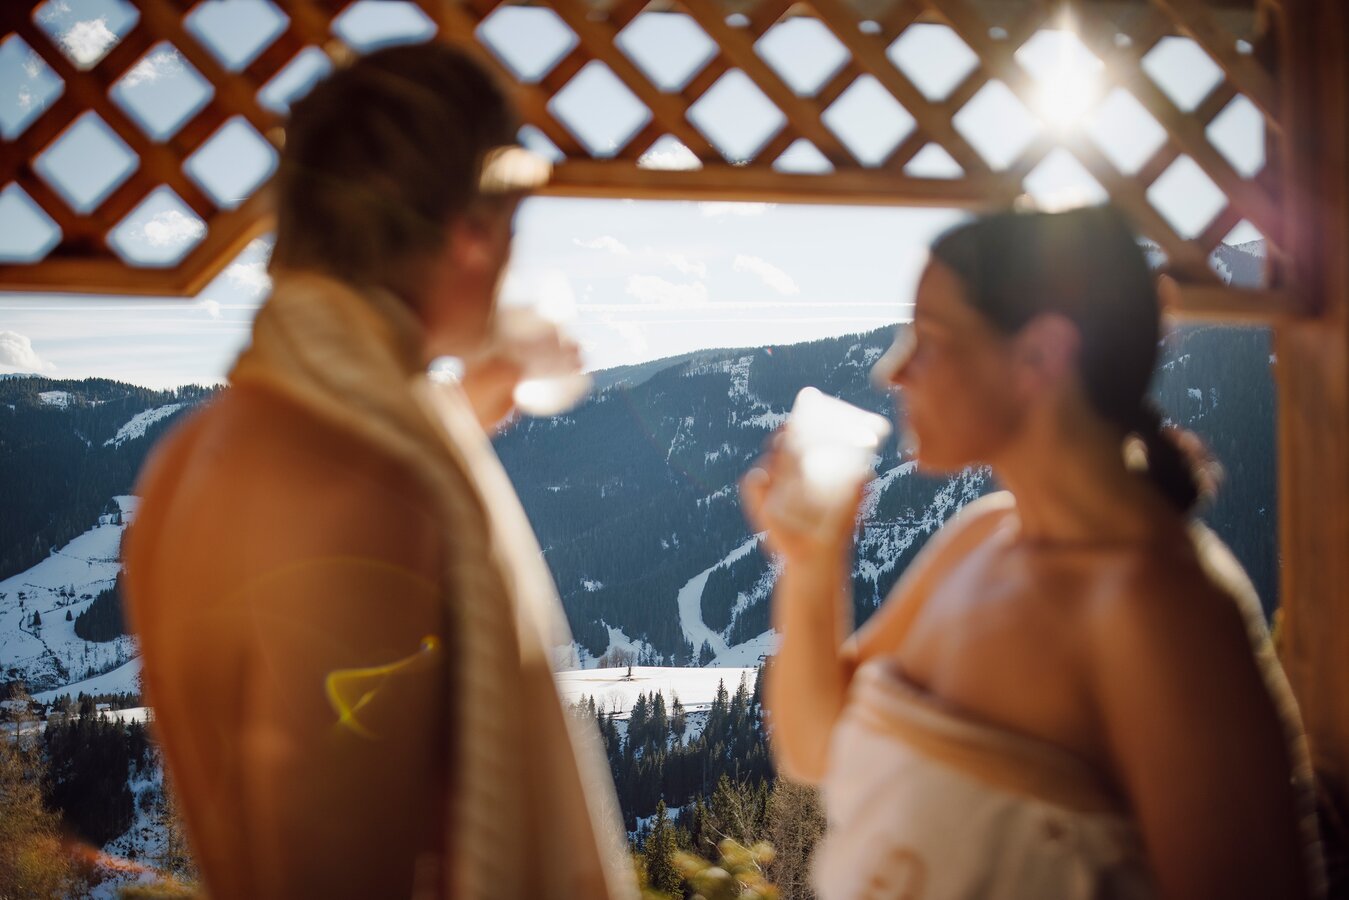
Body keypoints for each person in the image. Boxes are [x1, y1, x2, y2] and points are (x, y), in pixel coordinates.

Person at [123, 44, 635, 899]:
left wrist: (462, 410)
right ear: (473, 234)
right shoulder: (352, 490)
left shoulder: (199, 450)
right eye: (513, 232)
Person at [741, 205, 1321, 899]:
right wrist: (811, 561)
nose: (893, 372)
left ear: (1040, 356)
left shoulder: (1164, 611)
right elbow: (815, 748)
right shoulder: (982, 537)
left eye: (928, 339)